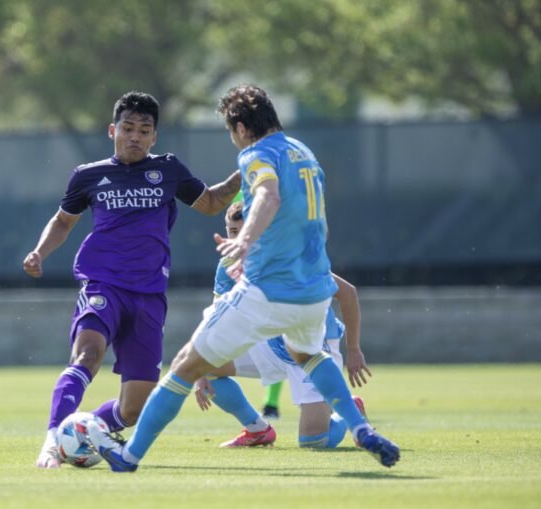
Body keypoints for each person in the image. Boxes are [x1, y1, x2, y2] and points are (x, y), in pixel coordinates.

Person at [87, 84, 399, 471]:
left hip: (269, 289)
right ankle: (359, 428)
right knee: (309, 355)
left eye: (229, 130)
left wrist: (245, 241)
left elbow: (268, 196)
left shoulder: (256, 154)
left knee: (185, 365)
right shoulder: (302, 151)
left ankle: (128, 455)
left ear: (238, 126)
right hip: (314, 289)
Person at [24, 91, 241, 468]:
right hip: (102, 283)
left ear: (154, 136)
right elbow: (63, 222)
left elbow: (210, 203)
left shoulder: (168, 170)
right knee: (87, 356)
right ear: (113, 130)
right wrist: (40, 252)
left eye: (144, 130)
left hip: (149, 294)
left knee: (133, 410)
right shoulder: (88, 175)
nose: (135, 136)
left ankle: (81, 433)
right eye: (128, 128)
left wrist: (247, 171)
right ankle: (52, 440)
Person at [193, 201, 371, 449]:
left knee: (314, 443)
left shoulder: (289, 258)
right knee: (202, 367)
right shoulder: (228, 265)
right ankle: (258, 430)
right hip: (269, 344)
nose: (236, 239)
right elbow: (216, 318)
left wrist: (353, 349)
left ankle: (350, 410)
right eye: (232, 232)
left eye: (243, 232)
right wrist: (200, 365)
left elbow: (348, 293)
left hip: (311, 349)